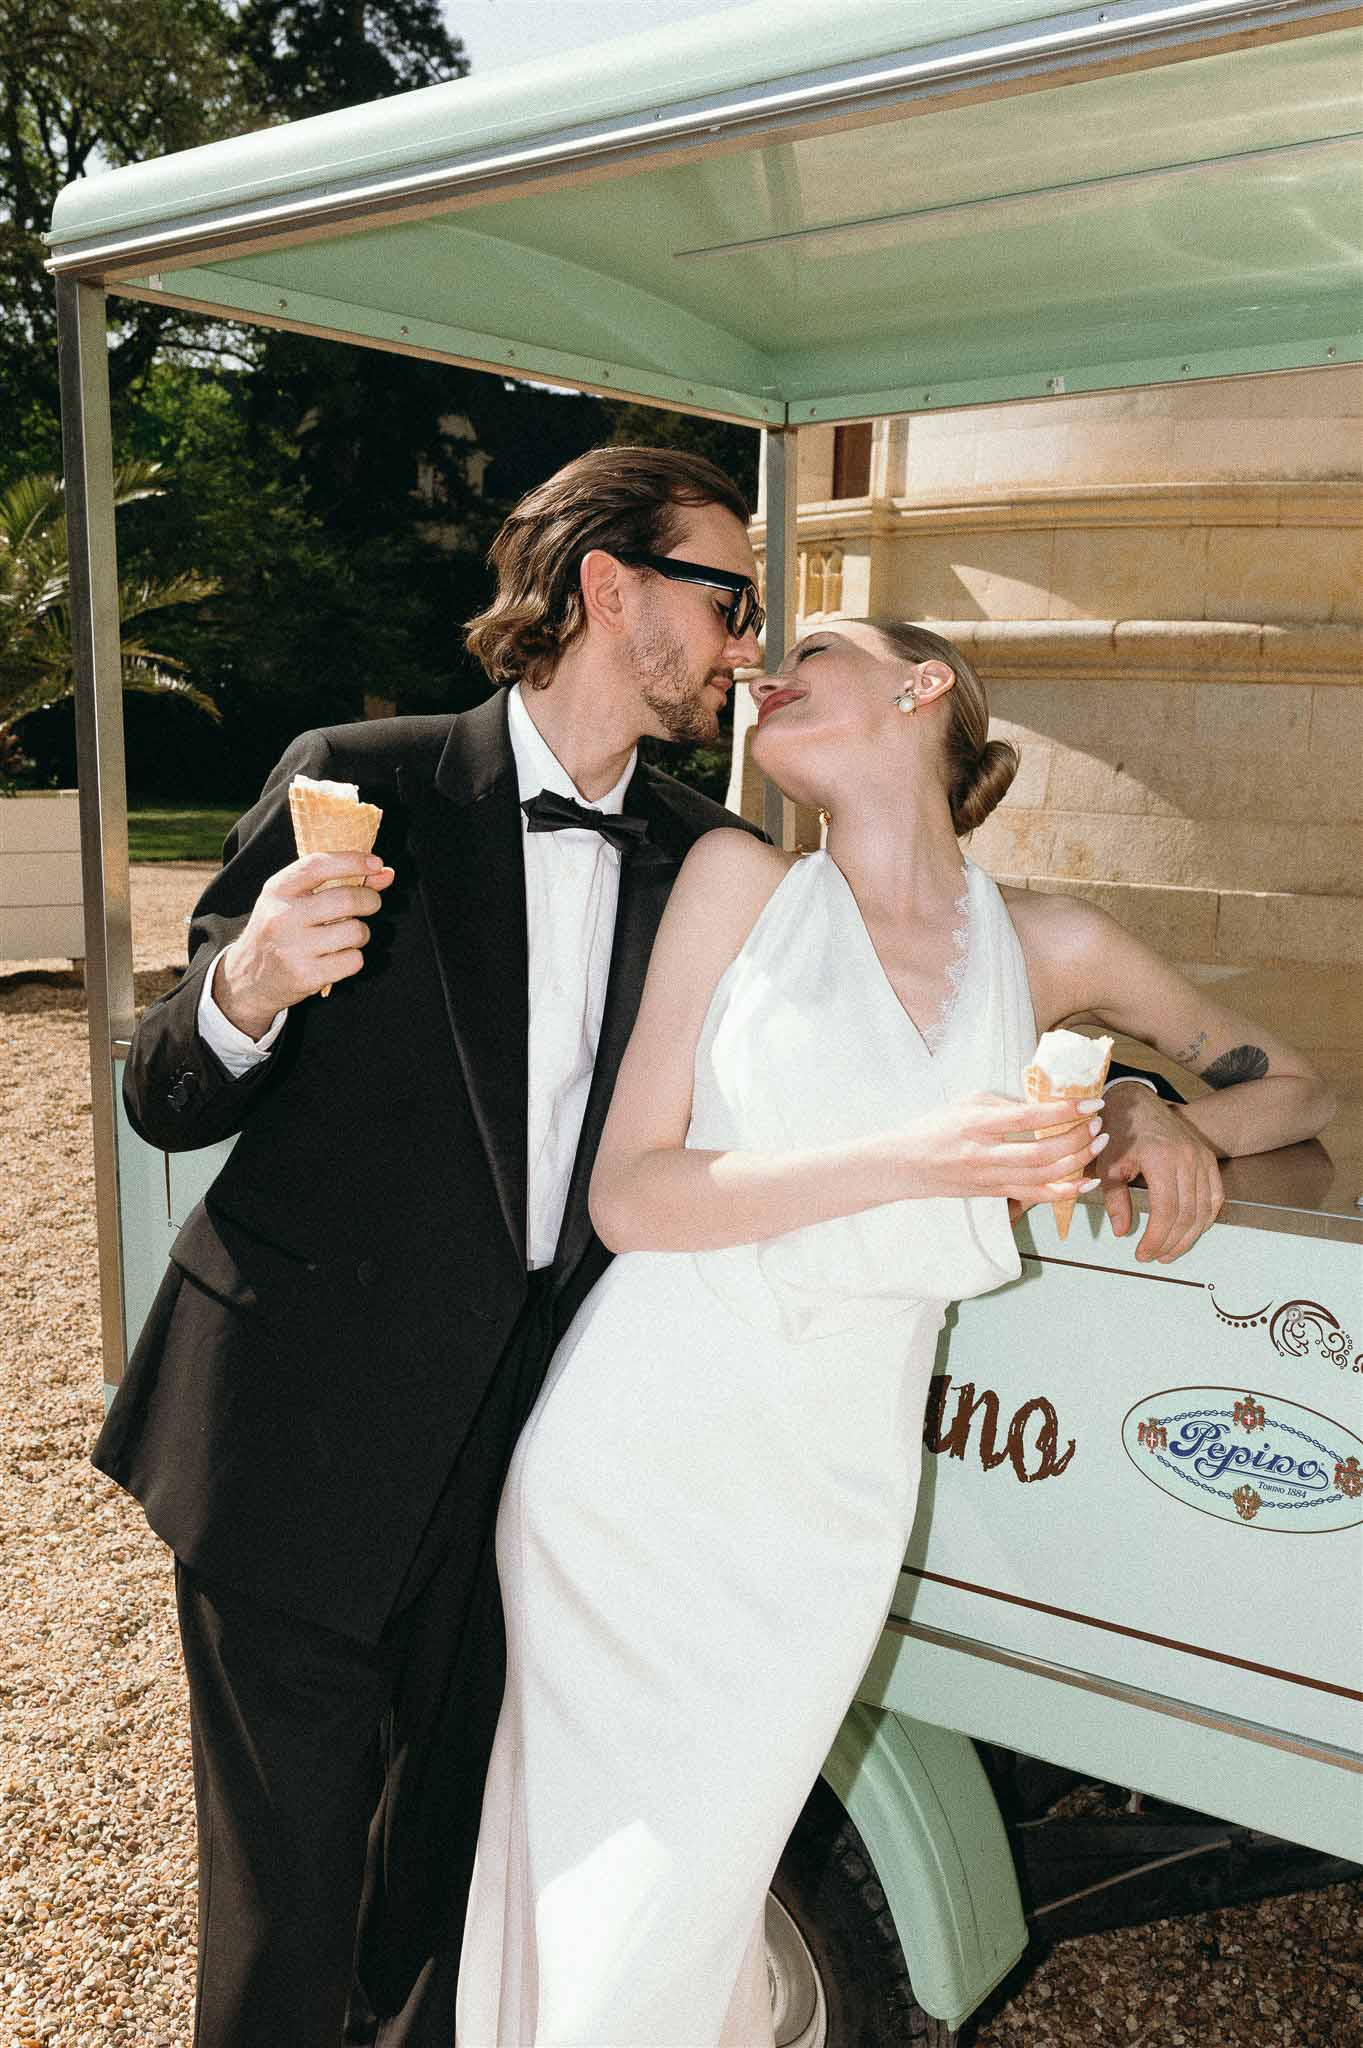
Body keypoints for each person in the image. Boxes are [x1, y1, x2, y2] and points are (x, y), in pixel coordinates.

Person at [92, 437, 1200, 2046]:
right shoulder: (366, 775)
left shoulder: (705, 862)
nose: (751, 645)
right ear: (612, 589)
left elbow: (940, 986)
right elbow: (163, 1094)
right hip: (299, 1447)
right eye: (730, 597)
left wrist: (1141, 1100)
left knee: (443, 1913)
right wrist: (248, 982)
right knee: (284, 1926)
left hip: (536, 1477)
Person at [455, 619, 1334, 2048]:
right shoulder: (741, 883)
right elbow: (633, 1193)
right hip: (641, 1455)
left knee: (706, 1883)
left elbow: (1295, 1089)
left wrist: (1158, 1114)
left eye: (811, 646)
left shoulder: (1051, 947)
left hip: (834, 1486)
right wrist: (920, 1159)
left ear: (922, 689)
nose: (759, 669)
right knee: (625, 1897)